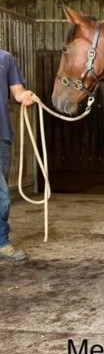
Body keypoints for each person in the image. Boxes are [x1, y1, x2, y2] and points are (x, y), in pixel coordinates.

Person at [0, 49, 37, 262]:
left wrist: (25, 96)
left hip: (2, 135)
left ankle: (1, 242)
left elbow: (17, 91)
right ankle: (2, 243)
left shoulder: (5, 59)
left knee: (2, 194)